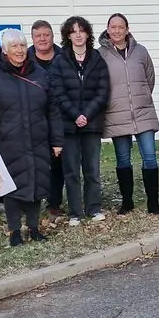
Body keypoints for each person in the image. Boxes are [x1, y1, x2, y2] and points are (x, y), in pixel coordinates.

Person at [0, 29, 64, 246]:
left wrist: (57, 140)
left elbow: (52, 109)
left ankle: (34, 228)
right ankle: (15, 231)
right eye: (14, 46)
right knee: (11, 188)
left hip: (38, 140)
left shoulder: (39, 74)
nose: (19, 50)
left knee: (36, 185)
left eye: (22, 46)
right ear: (5, 51)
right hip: (7, 143)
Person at [48, 15, 110, 225]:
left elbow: (102, 92)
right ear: (68, 35)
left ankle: (94, 208)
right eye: (73, 31)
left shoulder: (97, 59)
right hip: (68, 126)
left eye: (81, 30)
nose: (78, 34)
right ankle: (76, 212)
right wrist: (75, 115)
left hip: (91, 124)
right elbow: (57, 93)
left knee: (92, 170)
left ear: (87, 34)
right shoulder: (59, 60)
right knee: (71, 171)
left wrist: (87, 115)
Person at [99, 13, 159, 215]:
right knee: (123, 160)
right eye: (113, 27)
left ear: (127, 29)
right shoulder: (101, 54)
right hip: (116, 114)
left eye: (121, 27)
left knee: (150, 157)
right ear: (108, 29)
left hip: (143, 113)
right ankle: (127, 202)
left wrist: (140, 98)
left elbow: (149, 79)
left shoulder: (141, 51)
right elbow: (99, 84)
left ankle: (153, 202)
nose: (117, 30)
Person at [30, 19, 66, 216]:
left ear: (53, 36)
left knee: (57, 163)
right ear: (33, 38)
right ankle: (30, 201)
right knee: (32, 163)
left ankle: (54, 203)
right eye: (38, 36)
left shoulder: (64, 57)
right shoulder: (24, 59)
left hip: (59, 117)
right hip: (33, 118)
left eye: (46, 35)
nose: (42, 39)